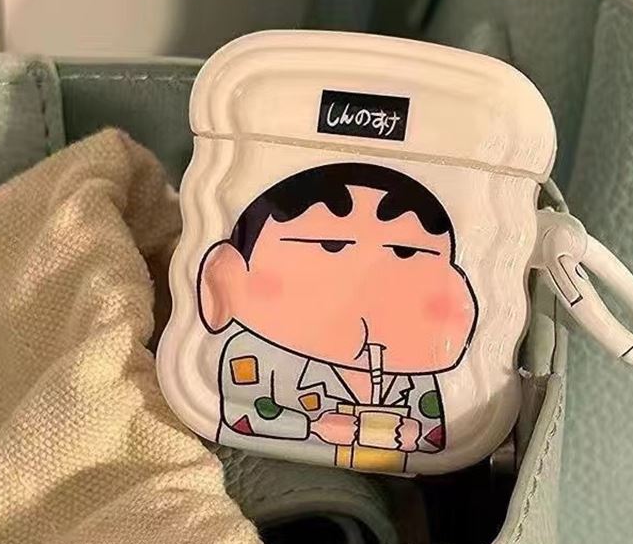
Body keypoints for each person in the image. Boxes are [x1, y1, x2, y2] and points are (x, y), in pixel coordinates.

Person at [198, 162, 477, 469]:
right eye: (332, 245)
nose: (371, 284)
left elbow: (442, 432)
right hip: (272, 465)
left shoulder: (414, 370)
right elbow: (242, 416)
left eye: (404, 251)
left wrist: (415, 435)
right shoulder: (250, 353)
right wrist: (313, 428)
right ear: (235, 271)